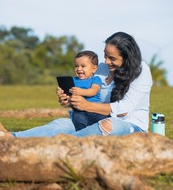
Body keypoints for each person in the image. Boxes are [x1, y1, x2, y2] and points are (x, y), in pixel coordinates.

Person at [0, 31, 152, 138]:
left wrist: (86, 106)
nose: (106, 61)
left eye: (112, 58)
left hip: (130, 126)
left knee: (108, 125)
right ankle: (12, 138)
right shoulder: (101, 69)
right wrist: (69, 99)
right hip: (92, 119)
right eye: (105, 56)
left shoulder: (141, 70)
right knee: (62, 124)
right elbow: (87, 93)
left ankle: (57, 146)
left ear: (127, 57)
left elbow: (124, 109)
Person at [62, 50, 108, 131]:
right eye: (76, 66)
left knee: (106, 120)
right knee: (78, 121)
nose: (79, 69)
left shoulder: (96, 79)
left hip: (95, 110)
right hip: (79, 111)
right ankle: (81, 135)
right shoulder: (72, 80)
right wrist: (61, 93)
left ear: (94, 69)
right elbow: (67, 94)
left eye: (83, 66)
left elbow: (94, 91)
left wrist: (80, 92)